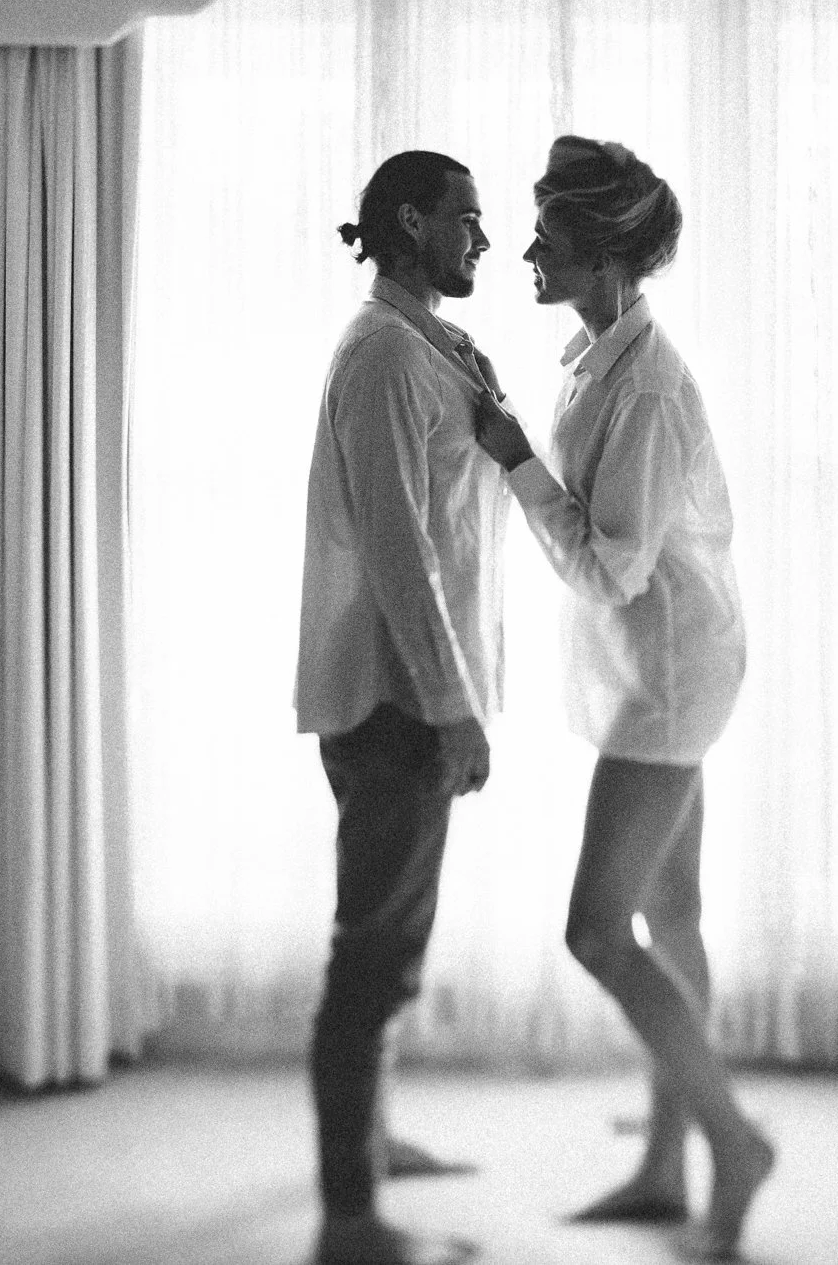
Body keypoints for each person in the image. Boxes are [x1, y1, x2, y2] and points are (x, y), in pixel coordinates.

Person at [472, 137, 775, 1260]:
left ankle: (731, 1140)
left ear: (601, 256)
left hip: (669, 681)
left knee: (596, 931)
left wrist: (513, 464)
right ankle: (663, 1164)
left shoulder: (642, 385)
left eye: (547, 236)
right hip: (661, 667)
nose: (527, 250)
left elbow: (612, 568)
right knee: (673, 919)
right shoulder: (596, 354)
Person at [296, 149, 508, 1265]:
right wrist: (454, 708)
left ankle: (372, 1151)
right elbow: (399, 550)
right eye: (468, 218)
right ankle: (349, 1216)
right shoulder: (383, 355)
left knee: (392, 943)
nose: (483, 238)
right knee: (373, 954)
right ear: (411, 220)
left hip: (412, 693)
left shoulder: (425, 343)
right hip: (396, 700)